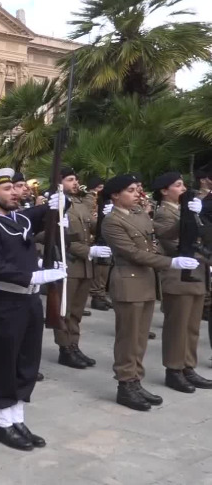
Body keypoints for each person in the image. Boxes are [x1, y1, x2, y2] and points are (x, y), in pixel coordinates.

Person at [0, 168, 65, 452]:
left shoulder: (18, 218)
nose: (15, 193)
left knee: (28, 362)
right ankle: (1, 422)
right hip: (4, 302)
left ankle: (17, 417)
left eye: (16, 188)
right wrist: (32, 277)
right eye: (7, 189)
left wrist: (58, 200)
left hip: (28, 303)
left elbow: (46, 214)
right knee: (6, 362)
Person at [101, 174, 199, 411]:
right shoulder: (111, 221)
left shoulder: (139, 214)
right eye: (131, 190)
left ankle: (136, 381)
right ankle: (125, 385)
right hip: (128, 281)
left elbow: (162, 233)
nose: (137, 194)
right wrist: (171, 263)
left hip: (145, 281)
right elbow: (133, 253)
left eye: (138, 189)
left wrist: (188, 214)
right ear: (115, 195)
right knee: (128, 337)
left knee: (140, 337)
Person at [150, 172, 212, 393]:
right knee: (178, 326)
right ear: (164, 191)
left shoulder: (189, 209)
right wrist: (188, 217)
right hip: (178, 276)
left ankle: (188, 366)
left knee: (192, 327)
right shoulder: (163, 213)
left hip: (198, 273)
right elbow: (170, 241)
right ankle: (174, 370)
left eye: (183, 184)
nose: (183, 188)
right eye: (177, 185)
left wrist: (199, 215)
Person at [56, 168, 109, 369]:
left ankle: (74, 345)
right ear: (59, 182)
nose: (75, 183)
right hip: (69, 264)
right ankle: (64, 348)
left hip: (85, 266)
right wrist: (90, 250)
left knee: (77, 311)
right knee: (65, 310)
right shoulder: (57, 204)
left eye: (76, 179)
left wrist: (106, 218)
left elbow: (92, 227)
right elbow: (61, 239)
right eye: (70, 179)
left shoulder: (79, 203)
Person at [84, 176, 112, 311]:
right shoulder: (90, 200)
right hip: (93, 236)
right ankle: (97, 295)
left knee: (104, 267)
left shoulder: (101, 200)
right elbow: (89, 217)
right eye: (99, 187)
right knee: (100, 268)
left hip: (100, 233)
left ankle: (100, 294)